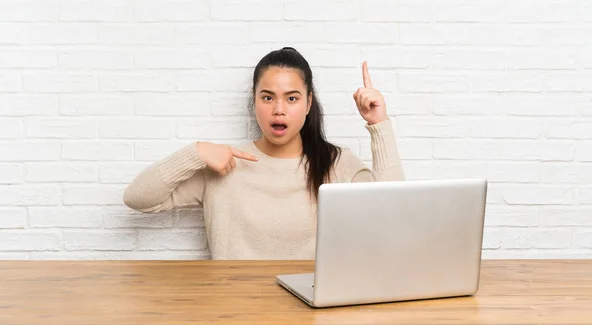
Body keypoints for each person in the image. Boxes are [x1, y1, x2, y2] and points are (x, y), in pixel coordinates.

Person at [123, 47, 405, 260]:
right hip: (234, 310)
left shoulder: (336, 163)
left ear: (308, 104)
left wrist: (378, 124)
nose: (278, 109)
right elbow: (138, 198)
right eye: (267, 97)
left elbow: (393, 219)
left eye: (292, 98)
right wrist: (195, 152)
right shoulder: (224, 164)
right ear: (254, 101)